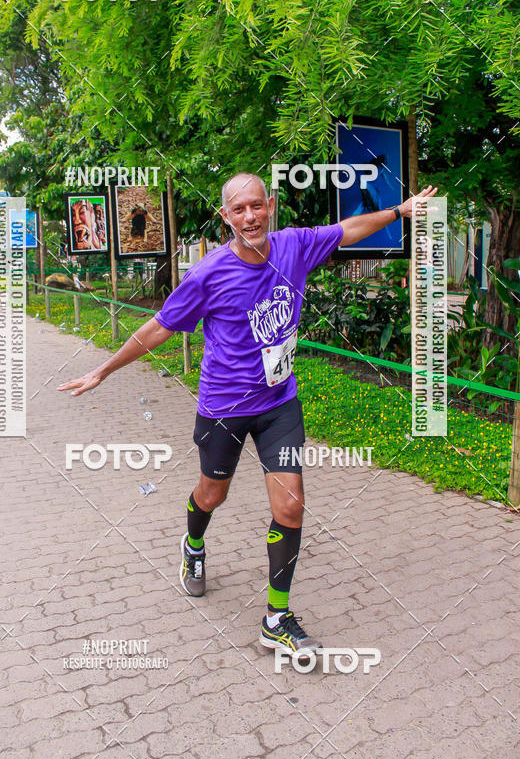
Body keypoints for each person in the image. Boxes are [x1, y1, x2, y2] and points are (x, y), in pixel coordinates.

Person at [58, 173, 437, 655]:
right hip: (224, 408)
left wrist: (398, 214)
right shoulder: (208, 273)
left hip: (279, 403)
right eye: (239, 210)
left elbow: (349, 228)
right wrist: (104, 370)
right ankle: (193, 544)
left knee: (291, 503)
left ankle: (276, 618)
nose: (250, 217)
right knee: (212, 494)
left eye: (257, 206)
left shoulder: (295, 246)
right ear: (226, 217)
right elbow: (158, 328)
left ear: (270, 205)